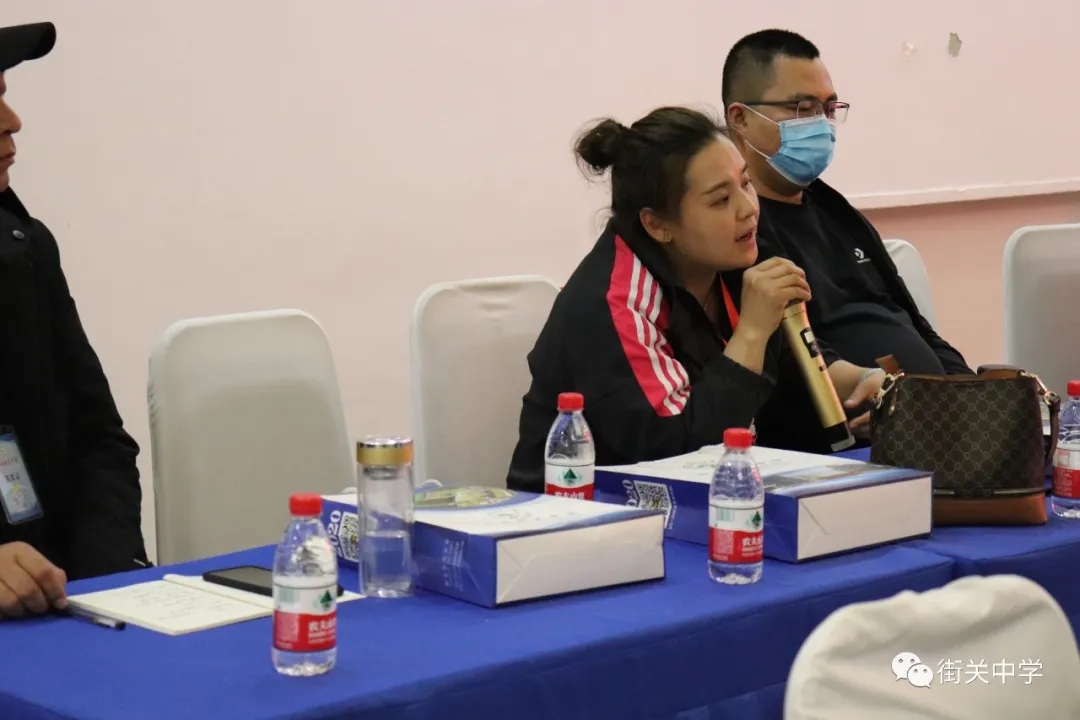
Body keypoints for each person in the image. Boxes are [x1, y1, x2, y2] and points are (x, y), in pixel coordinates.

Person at [506, 107, 887, 492]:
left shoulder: (736, 256)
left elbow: (795, 363)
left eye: (746, 183)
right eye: (721, 200)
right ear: (657, 224)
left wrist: (867, 384)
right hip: (580, 510)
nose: (748, 208)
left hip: (712, 499)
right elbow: (675, 451)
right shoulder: (612, 302)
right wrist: (752, 332)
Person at [0, 22, 149, 618]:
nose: (12, 122)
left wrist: (104, 588)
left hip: (62, 606)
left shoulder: (24, 251)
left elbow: (98, 440)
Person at [722, 29, 972, 376]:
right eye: (803, 108)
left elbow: (916, 325)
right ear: (740, 118)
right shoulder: (741, 230)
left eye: (828, 109)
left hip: (926, 403)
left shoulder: (836, 211)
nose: (821, 125)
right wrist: (876, 388)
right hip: (855, 405)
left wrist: (970, 390)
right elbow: (797, 360)